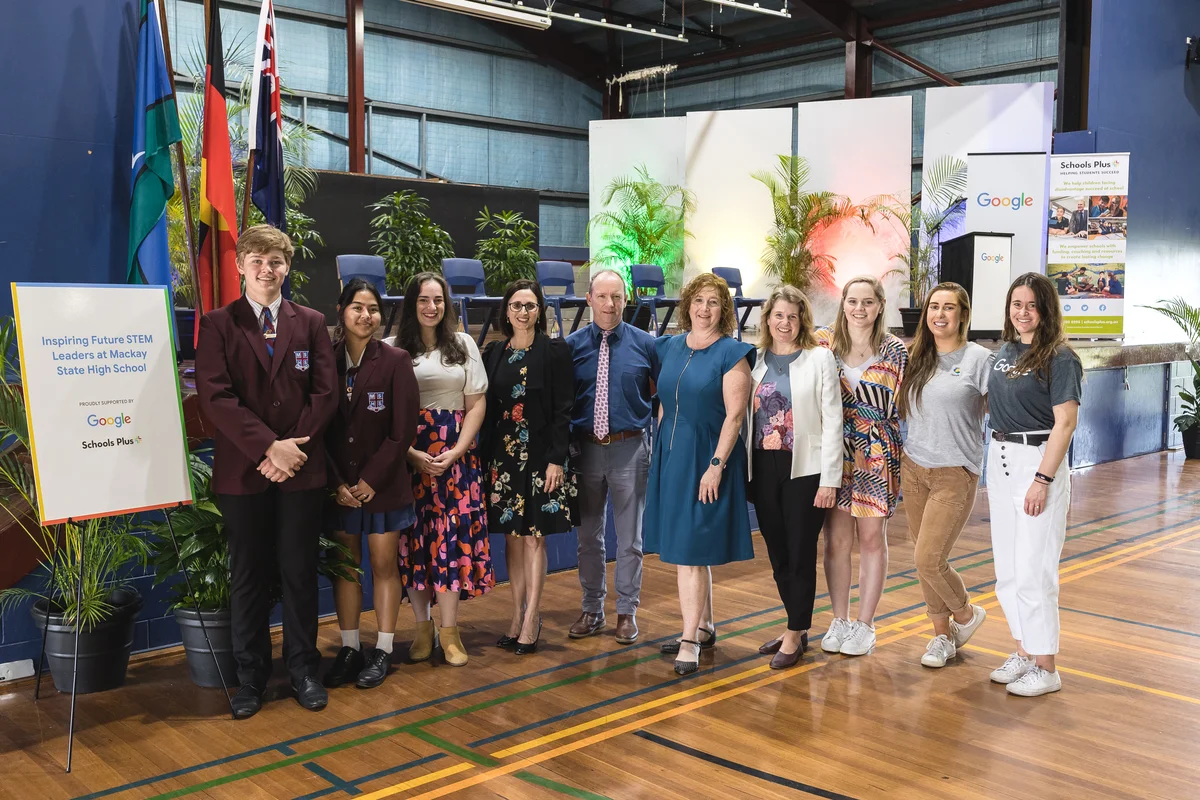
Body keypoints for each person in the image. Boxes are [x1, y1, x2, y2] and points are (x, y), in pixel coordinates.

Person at [195, 224, 337, 719]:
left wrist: (290, 450)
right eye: (256, 259)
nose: (266, 269)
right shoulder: (217, 324)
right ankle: (250, 679)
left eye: (275, 260)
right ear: (240, 265)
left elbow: (326, 394)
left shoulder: (313, 322)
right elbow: (215, 396)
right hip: (244, 471)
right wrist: (268, 448)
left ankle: (302, 672)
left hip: (301, 468)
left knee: (299, 573)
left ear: (288, 266)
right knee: (249, 576)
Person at [644, 273, 754, 676]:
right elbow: (663, 401)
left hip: (706, 457)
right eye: (699, 300)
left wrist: (716, 466)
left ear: (723, 310)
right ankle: (704, 626)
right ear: (687, 304)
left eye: (714, 302)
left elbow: (735, 416)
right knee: (685, 547)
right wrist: (659, 450)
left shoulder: (732, 352)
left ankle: (689, 638)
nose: (705, 309)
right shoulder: (669, 347)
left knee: (690, 551)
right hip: (672, 456)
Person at [986, 272, 1082, 697]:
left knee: (1034, 570)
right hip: (1000, 459)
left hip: (1036, 461)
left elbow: (1065, 423)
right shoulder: (1003, 351)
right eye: (1016, 304)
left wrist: (1042, 479)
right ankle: (1024, 651)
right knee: (1007, 572)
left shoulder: (1060, 358)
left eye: (1031, 305)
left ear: (1046, 310)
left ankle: (1047, 666)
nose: (1022, 313)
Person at [322, 278, 420, 690]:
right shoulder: (324, 359)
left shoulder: (396, 360)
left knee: (382, 564)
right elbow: (315, 429)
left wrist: (369, 481)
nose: (367, 316)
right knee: (346, 568)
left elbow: (403, 431)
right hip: (339, 487)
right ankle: (348, 648)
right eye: (358, 308)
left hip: (382, 487)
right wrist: (338, 482)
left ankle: (381, 648)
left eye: (374, 309)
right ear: (342, 312)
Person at [395, 272, 493, 667]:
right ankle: (422, 628)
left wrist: (455, 452)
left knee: (451, 543)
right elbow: (384, 413)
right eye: (422, 300)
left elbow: (477, 405)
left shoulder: (464, 344)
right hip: (410, 457)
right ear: (411, 304)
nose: (431, 307)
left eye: (437, 299)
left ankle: (450, 632)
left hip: (456, 459)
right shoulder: (394, 348)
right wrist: (410, 453)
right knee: (415, 541)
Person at [896, 283, 992, 669]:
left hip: (956, 471)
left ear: (962, 315)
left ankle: (966, 615)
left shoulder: (979, 359)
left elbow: (999, 409)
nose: (940, 314)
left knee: (928, 558)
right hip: (914, 466)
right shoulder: (914, 356)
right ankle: (941, 636)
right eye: (934, 307)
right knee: (925, 557)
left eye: (948, 308)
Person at [480, 280, 578, 656]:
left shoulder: (554, 350)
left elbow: (563, 408)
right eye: (517, 305)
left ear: (540, 310)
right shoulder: (495, 352)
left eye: (531, 305)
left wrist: (557, 459)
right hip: (503, 458)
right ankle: (515, 615)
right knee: (512, 539)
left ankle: (533, 617)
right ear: (506, 310)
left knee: (535, 537)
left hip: (540, 458)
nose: (524, 312)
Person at [746, 285, 841, 670]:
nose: (785, 323)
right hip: (762, 466)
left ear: (803, 320)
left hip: (806, 468)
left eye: (792, 315)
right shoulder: (753, 360)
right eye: (778, 315)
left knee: (801, 552)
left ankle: (795, 631)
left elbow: (833, 420)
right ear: (767, 318)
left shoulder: (819, 359)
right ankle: (796, 626)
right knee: (778, 552)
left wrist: (829, 480)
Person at [815, 275, 908, 657]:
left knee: (871, 539)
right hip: (835, 452)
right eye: (852, 301)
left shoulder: (895, 350)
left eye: (867, 302)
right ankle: (840, 618)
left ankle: (865, 624)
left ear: (880, 305)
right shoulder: (823, 343)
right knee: (836, 540)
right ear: (843, 304)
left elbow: (897, 402)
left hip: (876, 453)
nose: (859, 309)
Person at [566, 269, 659, 645]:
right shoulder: (571, 347)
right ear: (589, 299)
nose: (610, 304)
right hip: (585, 450)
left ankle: (626, 612)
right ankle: (592, 608)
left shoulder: (646, 345)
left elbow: (662, 393)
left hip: (629, 449)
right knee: (589, 538)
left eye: (617, 297)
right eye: (602, 297)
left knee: (630, 539)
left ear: (626, 300)